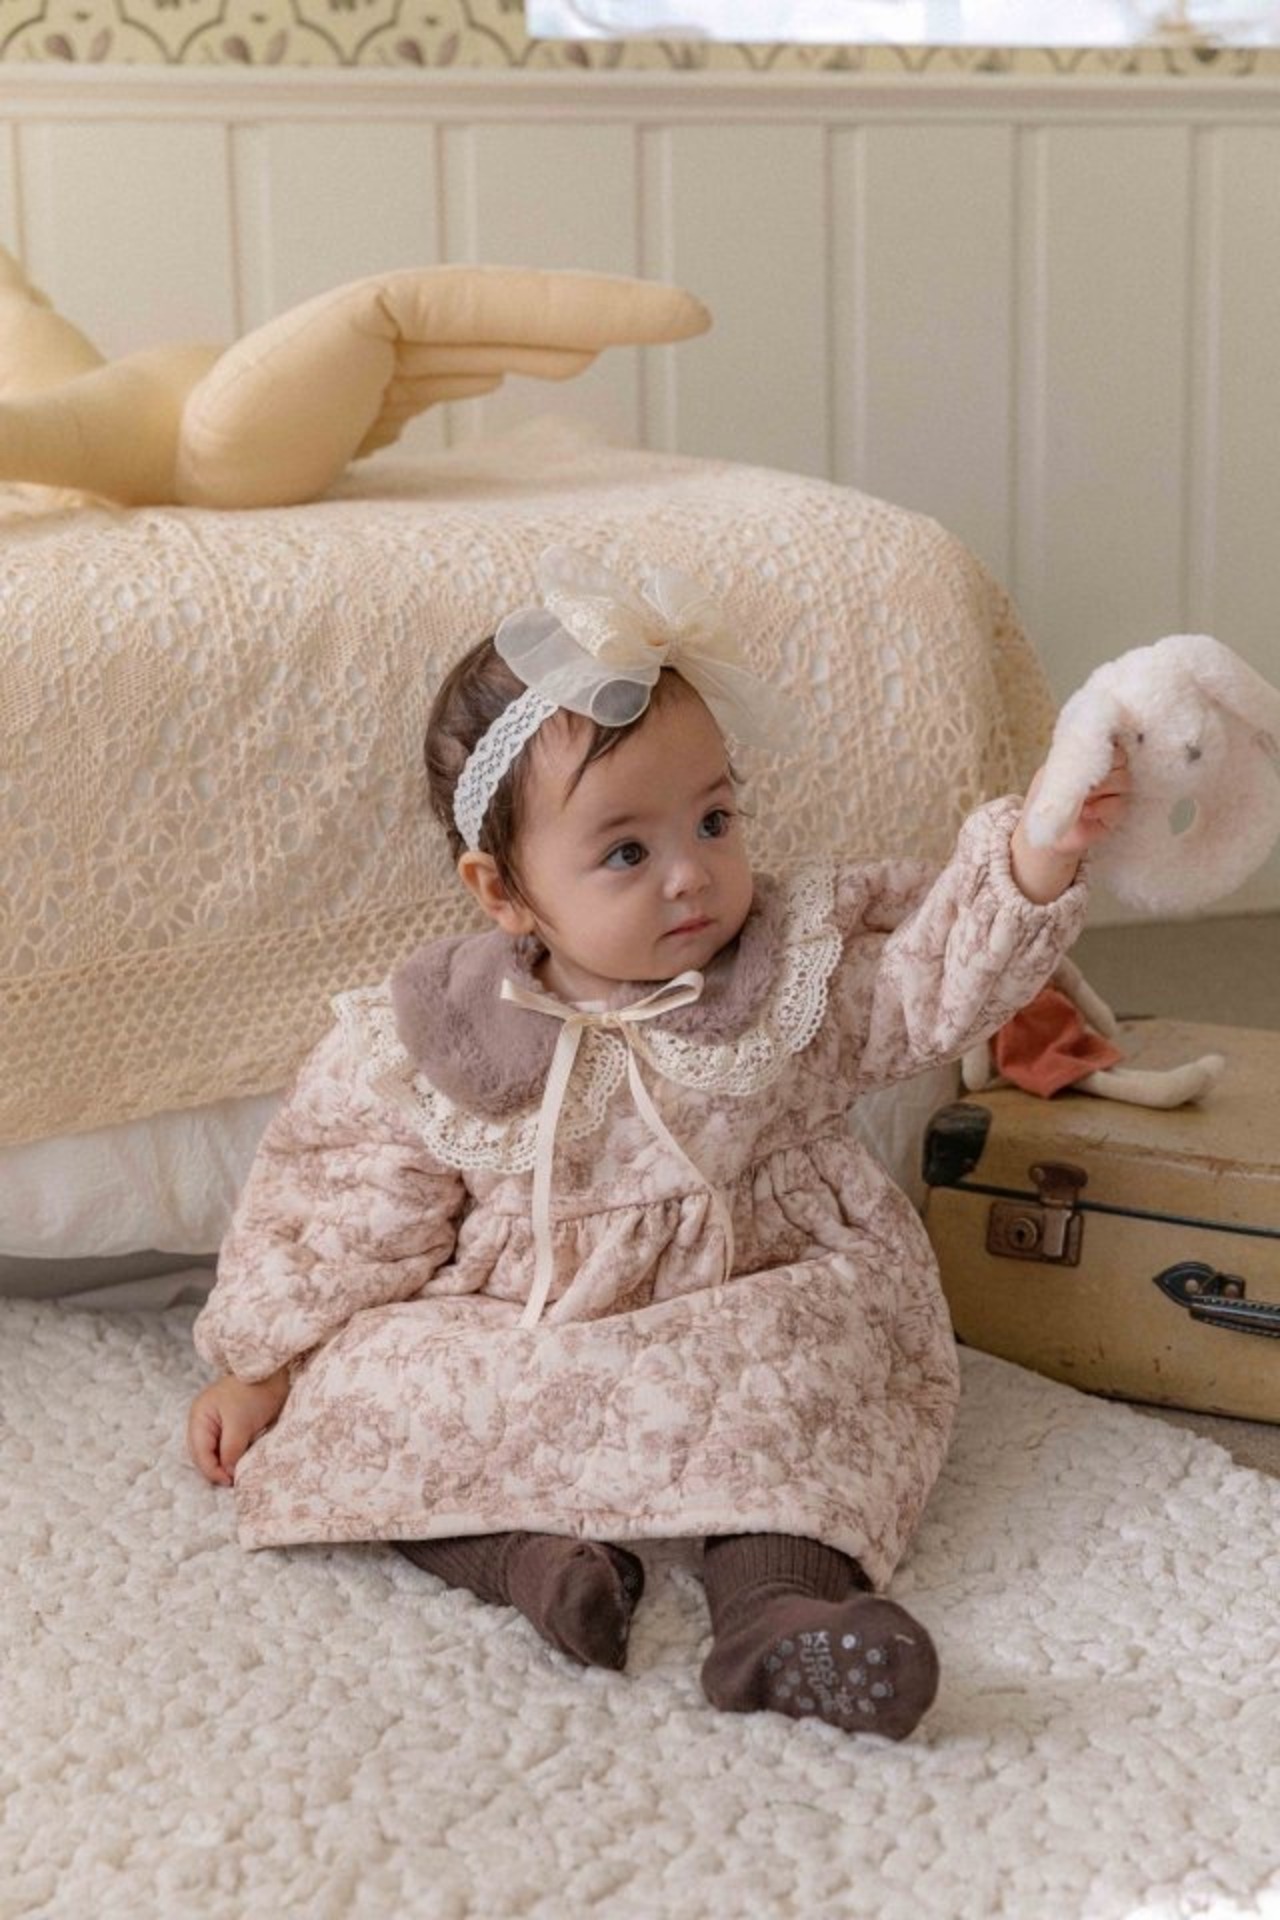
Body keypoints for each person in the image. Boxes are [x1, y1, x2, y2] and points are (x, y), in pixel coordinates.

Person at [187, 546, 1130, 1742]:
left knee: (808, 1386)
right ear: (501, 891)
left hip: (748, 1296)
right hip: (532, 1321)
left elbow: (927, 987)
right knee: (376, 1398)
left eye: (714, 819)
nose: (691, 876)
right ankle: (533, 1562)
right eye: (627, 852)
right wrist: (263, 1364)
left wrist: (1038, 854)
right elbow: (341, 1203)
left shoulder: (786, 976)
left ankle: (778, 1608)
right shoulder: (444, 1035)